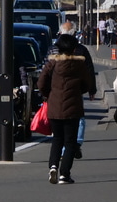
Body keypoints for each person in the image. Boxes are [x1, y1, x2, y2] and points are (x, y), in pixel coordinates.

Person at [37, 34, 95, 185]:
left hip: (55, 106)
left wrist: (49, 94)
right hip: (73, 107)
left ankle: (53, 166)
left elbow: (41, 82)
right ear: (74, 48)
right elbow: (87, 83)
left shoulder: (52, 63)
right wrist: (77, 91)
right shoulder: (79, 65)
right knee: (70, 142)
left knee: (57, 138)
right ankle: (65, 174)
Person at [51, 20, 96, 159]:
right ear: (74, 34)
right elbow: (89, 69)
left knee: (57, 120)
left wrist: (45, 91)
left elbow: (46, 71)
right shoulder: (81, 49)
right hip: (76, 89)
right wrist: (91, 89)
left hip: (56, 90)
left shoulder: (53, 49)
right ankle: (76, 143)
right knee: (78, 117)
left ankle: (62, 151)